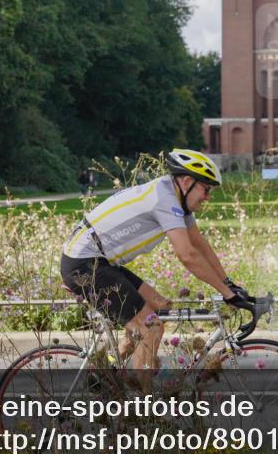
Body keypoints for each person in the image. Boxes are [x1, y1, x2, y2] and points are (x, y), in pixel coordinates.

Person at [60, 149, 254, 376]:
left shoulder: (176, 199)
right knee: (151, 328)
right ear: (187, 182)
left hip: (99, 262)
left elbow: (199, 245)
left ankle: (105, 371)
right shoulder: (165, 200)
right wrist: (227, 294)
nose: (208, 196)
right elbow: (187, 255)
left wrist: (228, 284)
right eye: (206, 189)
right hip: (84, 264)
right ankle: (142, 398)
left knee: (162, 307)